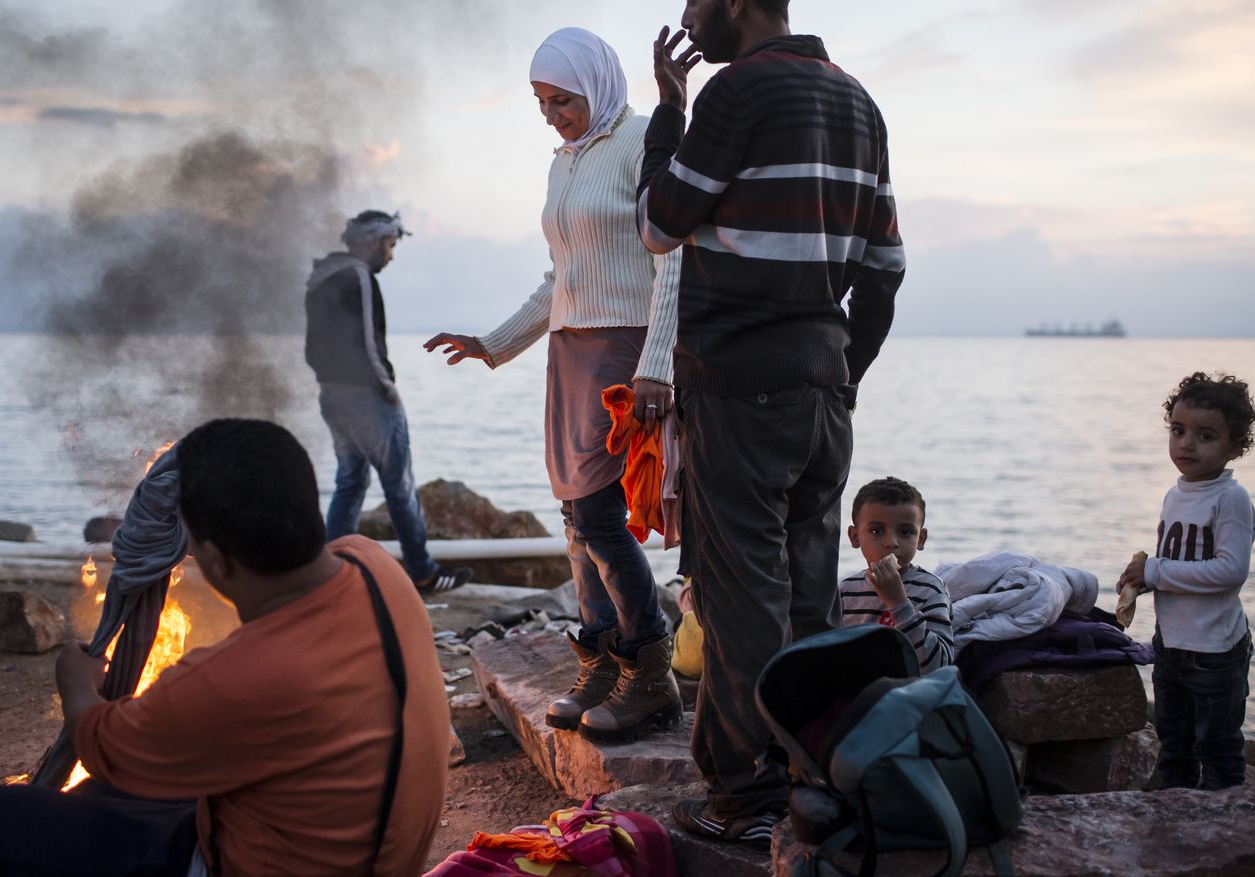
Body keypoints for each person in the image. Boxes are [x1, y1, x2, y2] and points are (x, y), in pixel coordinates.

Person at [0, 419, 451, 875]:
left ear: (213, 557)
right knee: (120, 791)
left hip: (249, 862)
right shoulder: (374, 565)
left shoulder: (234, 676)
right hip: (380, 853)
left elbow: (98, 742)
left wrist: (77, 688)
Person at [637, 0, 906, 847]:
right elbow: (886, 270)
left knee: (741, 591)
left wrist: (669, 113)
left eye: (695, 3)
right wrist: (842, 373)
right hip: (823, 385)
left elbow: (657, 223)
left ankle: (740, 794)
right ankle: (812, 775)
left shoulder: (736, 94)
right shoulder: (859, 101)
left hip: (737, 386)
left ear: (739, 4)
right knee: (808, 589)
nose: (687, 17)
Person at [424, 27, 683, 740]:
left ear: (595, 87)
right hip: (569, 353)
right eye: (540, 102)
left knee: (601, 514)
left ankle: (650, 670)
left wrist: (656, 362)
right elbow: (559, 278)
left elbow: (674, 260)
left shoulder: (641, 144)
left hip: (624, 351)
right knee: (575, 521)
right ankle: (600, 657)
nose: (550, 115)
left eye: (561, 100)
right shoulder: (563, 163)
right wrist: (493, 342)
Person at [305, 210, 471, 593]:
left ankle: (331, 573)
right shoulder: (358, 275)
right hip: (366, 394)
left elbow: (314, 343)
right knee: (399, 482)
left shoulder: (320, 277)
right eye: (390, 245)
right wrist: (387, 386)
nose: (391, 255)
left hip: (331, 393)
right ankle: (422, 570)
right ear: (371, 241)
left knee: (350, 480)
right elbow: (366, 338)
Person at [1117, 372, 1255, 791]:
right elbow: (1182, 564)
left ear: (1235, 446)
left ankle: (1225, 831)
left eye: (1205, 435)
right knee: (1173, 744)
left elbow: (1231, 570)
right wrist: (1144, 580)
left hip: (1214, 651)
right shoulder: (1176, 494)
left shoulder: (1230, 499)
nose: (1186, 444)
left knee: (1217, 748)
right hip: (1172, 645)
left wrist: (1158, 571)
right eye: (1178, 431)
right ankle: (1176, 825)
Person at [838, 477, 952, 671]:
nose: (891, 542)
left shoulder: (930, 589)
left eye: (905, 532)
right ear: (855, 537)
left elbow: (938, 665)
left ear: (921, 539)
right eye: (876, 531)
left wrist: (898, 603)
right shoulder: (846, 590)